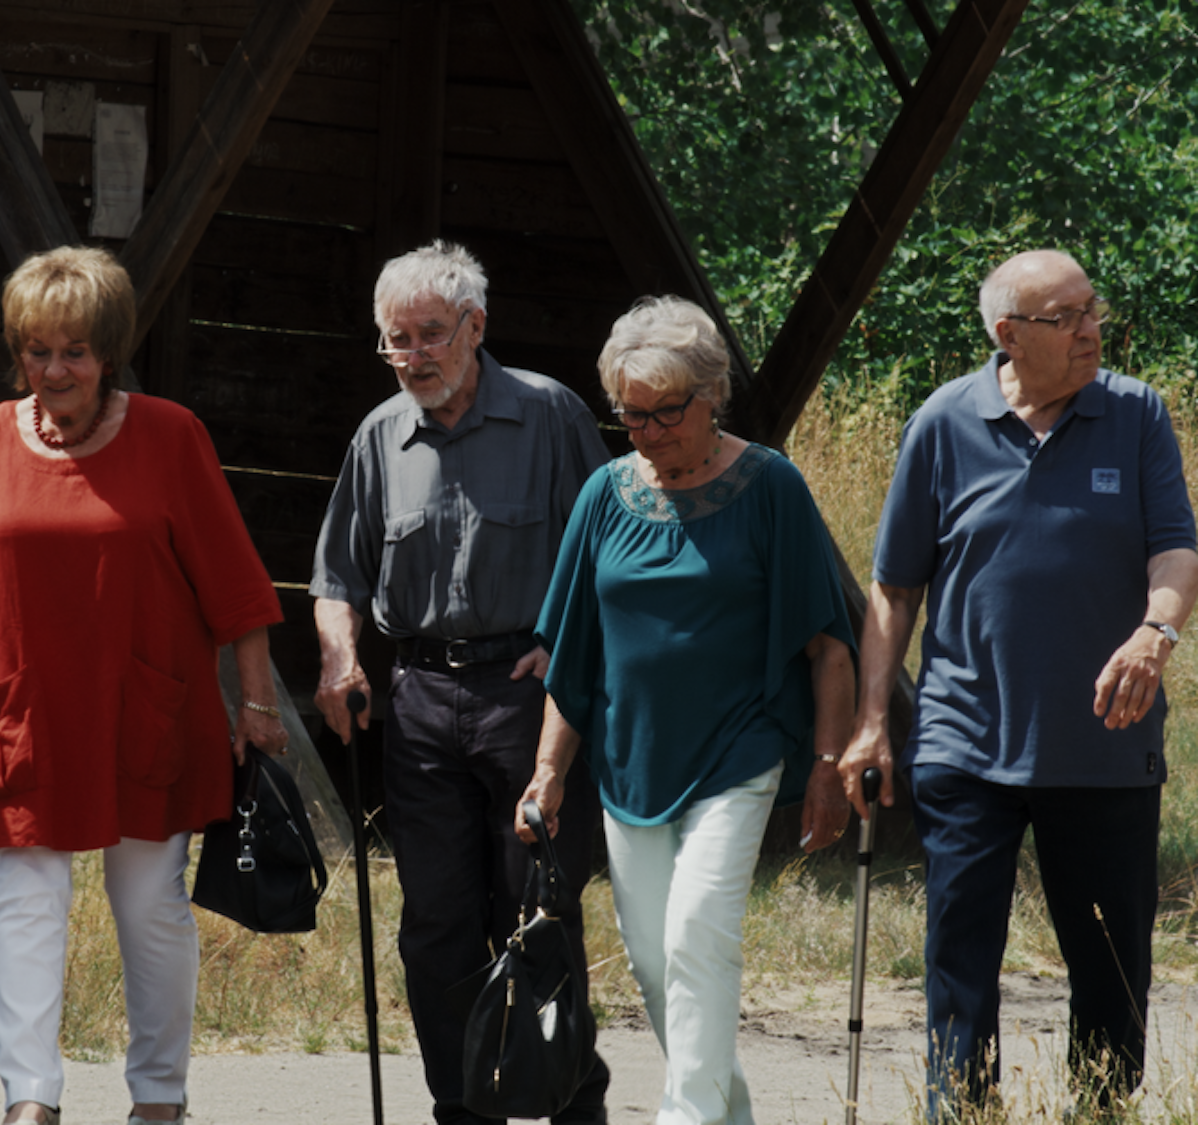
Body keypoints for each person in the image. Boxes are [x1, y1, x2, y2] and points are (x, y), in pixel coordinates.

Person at [0, 246, 285, 1125]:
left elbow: (236, 587)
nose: (55, 369)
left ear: (109, 352)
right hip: (24, 711)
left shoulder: (171, 435)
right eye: (38, 350)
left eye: (75, 350)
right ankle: (29, 1098)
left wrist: (258, 703)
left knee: (150, 905)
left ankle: (159, 1097)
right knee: (23, 903)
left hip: (144, 704)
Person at [840, 250, 1198, 1120]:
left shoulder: (1135, 413)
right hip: (966, 740)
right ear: (1009, 334)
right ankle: (959, 1113)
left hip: (1104, 741)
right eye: (1067, 316)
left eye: (1093, 310)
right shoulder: (943, 421)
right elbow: (894, 587)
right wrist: (870, 721)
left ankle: (1101, 1112)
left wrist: (1157, 632)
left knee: (1110, 967)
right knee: (959, 965)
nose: (1091, 330)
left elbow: (1176, 548)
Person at [518, 295, 855, 1125]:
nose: (649, 430)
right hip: (630, 763)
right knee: (656, 965)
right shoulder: (604, 494)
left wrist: (827, 765)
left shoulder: (770, 484)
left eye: (668, 411)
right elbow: (574, 654)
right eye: (632, 414)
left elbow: (830, 645)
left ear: (713, 396)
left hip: (738, 753)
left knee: (699, 936)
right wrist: (548, 773)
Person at [310, 240, 612, 1125]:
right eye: (395, 340)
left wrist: (567, 646)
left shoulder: (550, 416)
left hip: (527, 699)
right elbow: (337, 579)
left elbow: (610, 553)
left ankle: (567, 1100)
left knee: (538, 909)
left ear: (476, 328)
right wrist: (340, 659)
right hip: (421, 706)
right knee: (435, 925)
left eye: (430, 334)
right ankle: (465, 1105)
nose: (413, 357)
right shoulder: (380, 435)